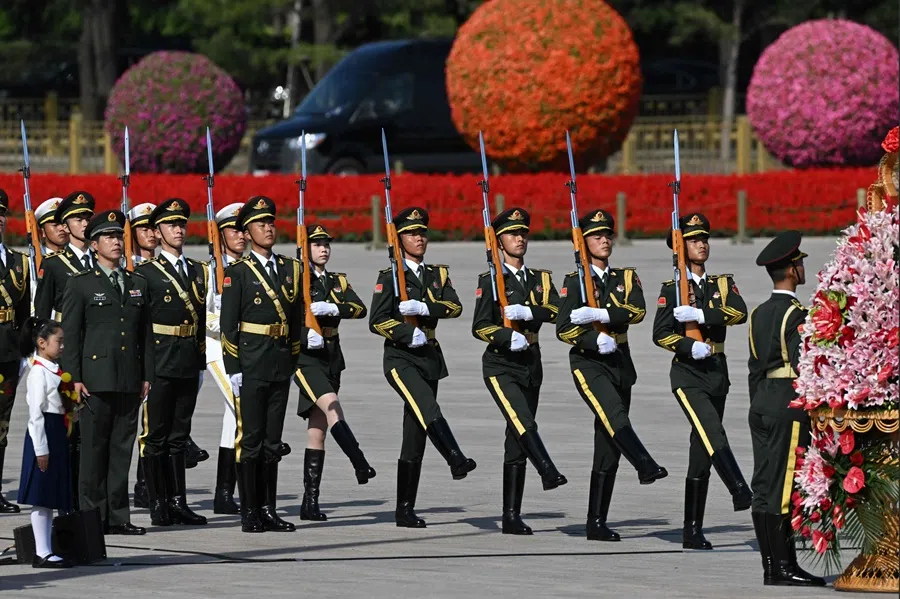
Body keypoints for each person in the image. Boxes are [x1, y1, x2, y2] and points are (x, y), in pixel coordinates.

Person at [556, 209, 667, 542]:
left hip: (620, 360)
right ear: (584, 243)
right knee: (614, 415)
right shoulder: (574, 282)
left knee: (608, 443)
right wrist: (592, 337)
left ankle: (596, 521)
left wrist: (602, 313)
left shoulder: (626, 278)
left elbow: (637, 310)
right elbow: (563, 329)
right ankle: (645, 464)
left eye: (607, 235)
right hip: (588, 363)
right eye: (596, 236)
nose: (604, 240)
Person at [368, 207, 475, 529]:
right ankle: (455, 457)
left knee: (415, 433)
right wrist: (404, 330)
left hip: (429, 355)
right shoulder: (389, 276)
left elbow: (454, 306)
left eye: (422, 233)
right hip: (400, 358)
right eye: (412, 233)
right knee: (427, 406)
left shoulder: (437, 275)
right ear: (398, 239)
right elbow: (377, 320)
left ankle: (404, 509)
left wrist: (423, 308)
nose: (419, 238)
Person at [652, 213, 752, 550]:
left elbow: (739, 312)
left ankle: (691, 530)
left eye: (704, 238)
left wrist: (702, 316)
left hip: (716, 370)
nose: (702, 244)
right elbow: (660, 334)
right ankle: (739, 487)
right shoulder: (671, 289)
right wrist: (686, 344)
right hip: (687, 374)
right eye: (694, 240)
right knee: (712, 430)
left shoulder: (722, 285)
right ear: (679, 249)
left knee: (701, 449)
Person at [471, 208, 567, 536]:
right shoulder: (491, 280)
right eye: (512, 234)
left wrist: (528, 310)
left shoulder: (540, 280)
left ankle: (511, 516)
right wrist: (503, 334)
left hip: (531, 361)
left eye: (523, 233)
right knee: (524, 422)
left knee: (516, 439)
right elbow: (480, 326)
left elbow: (557, 310)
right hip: (499, 364)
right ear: (498, 242)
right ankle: (547, 470)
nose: (520, 238)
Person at [60, 209, 153, 536]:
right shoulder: (81, 285)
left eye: (119, 236)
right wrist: (73, 377)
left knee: (121, 450)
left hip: (128, 378)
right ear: (95, 243)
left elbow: (145, 334)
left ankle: (118, 516)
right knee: (93, 453)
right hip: (94, 381)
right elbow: (71, 335)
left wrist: (147, 375)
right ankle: (92, 518)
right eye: (110, 237)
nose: (116, 242)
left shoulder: (137, 282)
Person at [220, 196, 303, 533]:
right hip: (251, 363)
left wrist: (293, 357)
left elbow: (295, 318)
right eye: (259, 224)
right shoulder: (237, 273)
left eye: (270, 222)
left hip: (280, 362)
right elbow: (229, 325)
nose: (267, 228)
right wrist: (234, 367)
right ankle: (250, 510)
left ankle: (269, 509)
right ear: (247, 232)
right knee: (251, 440)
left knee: (272, 441)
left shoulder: (291, 268)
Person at [748, 231, 824, 587]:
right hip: (786, 401)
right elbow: (802, 362)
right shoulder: (796, 314)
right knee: (782, 485)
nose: (803, 266)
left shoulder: (759, 313)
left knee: (764, 483)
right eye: (801, 262)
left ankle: (771, 565)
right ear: (792, 270)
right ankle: (782, 567)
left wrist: (760, 403)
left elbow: (753, 367)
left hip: (762, 401)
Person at [293, 223, 375, 522]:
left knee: (318, 429)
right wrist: (303, 335)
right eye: (317, 244)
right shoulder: (295, 280)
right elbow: (284, 319)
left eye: (326, 244)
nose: (324, 248)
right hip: (305, 358)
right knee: (332, 407)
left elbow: (359, 308)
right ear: (305, 249)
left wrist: (333, 307)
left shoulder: (336, 280)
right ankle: (360, 462)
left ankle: (309, 502)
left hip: (331, 356)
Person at [134, 199, 207, 527]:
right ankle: (158, 501)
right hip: (159, 361)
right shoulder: (145, 274)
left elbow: (202, 319)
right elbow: (137, 325)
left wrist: (201, 360)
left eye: (182, 224)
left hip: (188, 360)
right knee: (155, 435)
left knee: (180, 433)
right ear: (157, 232)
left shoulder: (197, 271)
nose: (178, 230)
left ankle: (179, 502)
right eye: (170, 225)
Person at [16, 317, 73, 568]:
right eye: (58, 341)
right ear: (41, 343)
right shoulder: (38, 372)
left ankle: (47, 548)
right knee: (42, 496)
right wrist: (41, 449)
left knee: (51, 495)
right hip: (45, 434)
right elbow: (35, 414)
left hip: (56, 432)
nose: (62, 346)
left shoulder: (54, 370)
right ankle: (42, 552)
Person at [205, 202, 247, 515]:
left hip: (243, 350)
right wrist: (219, 318)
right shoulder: (209, 271)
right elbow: (198, 312)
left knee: (231, 420)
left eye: (244, 229)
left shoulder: (246, 270)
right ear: (220, 235)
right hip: (217, 350)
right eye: (234, 230)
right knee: (241, 408)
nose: (241, 235)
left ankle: (224, 494)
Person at [0, 189, 31, 514]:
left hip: (7, 353)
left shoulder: (18, 263)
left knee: (2, 425)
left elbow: (23, 314)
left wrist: (23, 353)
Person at [127, 202, 157, 510]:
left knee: (151, 423)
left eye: (152, 227)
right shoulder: (127, 266)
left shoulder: (160, 266)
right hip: (129, 352)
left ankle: (145, 484)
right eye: (143, 228)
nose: (150, 234)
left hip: (159, 352)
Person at [34, 191, 96, 320]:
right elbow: (42, 309)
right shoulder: (53, 263)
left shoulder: (101, 259)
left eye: (88, 220)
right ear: (66, 227)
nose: (85, 224)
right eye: (79, 220)